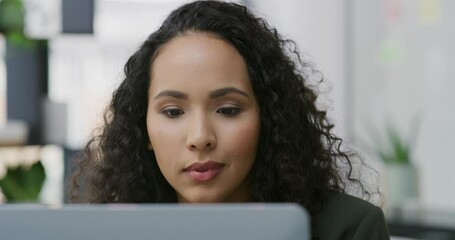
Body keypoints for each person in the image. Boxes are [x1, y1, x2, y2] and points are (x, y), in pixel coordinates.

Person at [68, 1, 390, 239]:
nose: (200, 137)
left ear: (269, 118)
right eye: (173, 112)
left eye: (228, 110)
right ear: (144, 131)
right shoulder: (112, 232)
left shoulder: (349, 228)